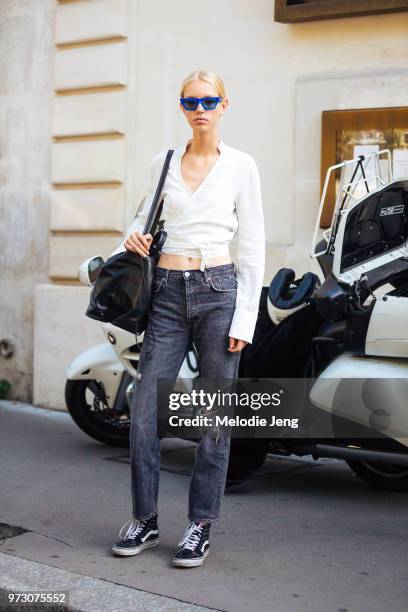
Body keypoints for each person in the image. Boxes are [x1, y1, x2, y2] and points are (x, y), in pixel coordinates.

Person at [110, 70, 265, 568]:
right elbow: (141, 219)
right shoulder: (164, 162)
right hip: (167, 294)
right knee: (145, 414)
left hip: (220, 291)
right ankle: (145, 519)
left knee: (215, 419)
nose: (200, 108)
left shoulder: (242, 166)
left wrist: (245, 319)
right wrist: (132, 236)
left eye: (209, 100)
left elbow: (252, 245)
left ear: (224, 105)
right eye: (190, 101)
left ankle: (200, 524)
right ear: (182, 106)